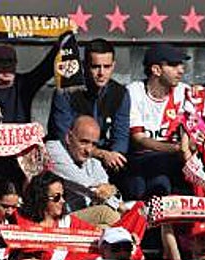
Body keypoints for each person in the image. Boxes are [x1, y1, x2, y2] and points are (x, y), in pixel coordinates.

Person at [49, 39, 130, 172]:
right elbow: (63, 137)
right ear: (85, 65)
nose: (101, 73)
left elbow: (121, 136)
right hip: (68, 156)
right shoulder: (66, 92)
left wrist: (115, 156)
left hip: (103, 157)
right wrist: (100, 154)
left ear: (113, 66)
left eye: (107, 67)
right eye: (95, 66)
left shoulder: (120, 93)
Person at [121, 44, 189, 199]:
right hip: (140, 158)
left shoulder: (185, 91)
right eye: (173, 65)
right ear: (156, 70)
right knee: (141, 185)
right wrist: (177, 148)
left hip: (173, 161)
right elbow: (139, 139)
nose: (181, 70)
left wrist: (182, 149)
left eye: (181, 65)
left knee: (162, 181)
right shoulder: (134, 91)